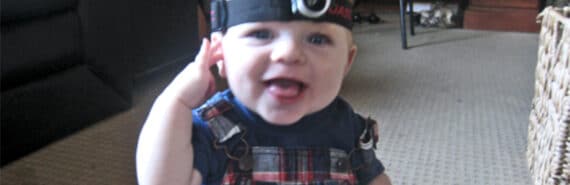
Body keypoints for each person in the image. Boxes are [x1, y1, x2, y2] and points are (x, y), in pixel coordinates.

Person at [136, 0, 392, 184]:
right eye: (261, 34)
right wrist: (175, 101)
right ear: (220, 55)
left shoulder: (349, 127)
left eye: (317, 39)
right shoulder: (213, 130)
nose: (289, 53)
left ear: (346, 63)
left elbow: (374, 178)